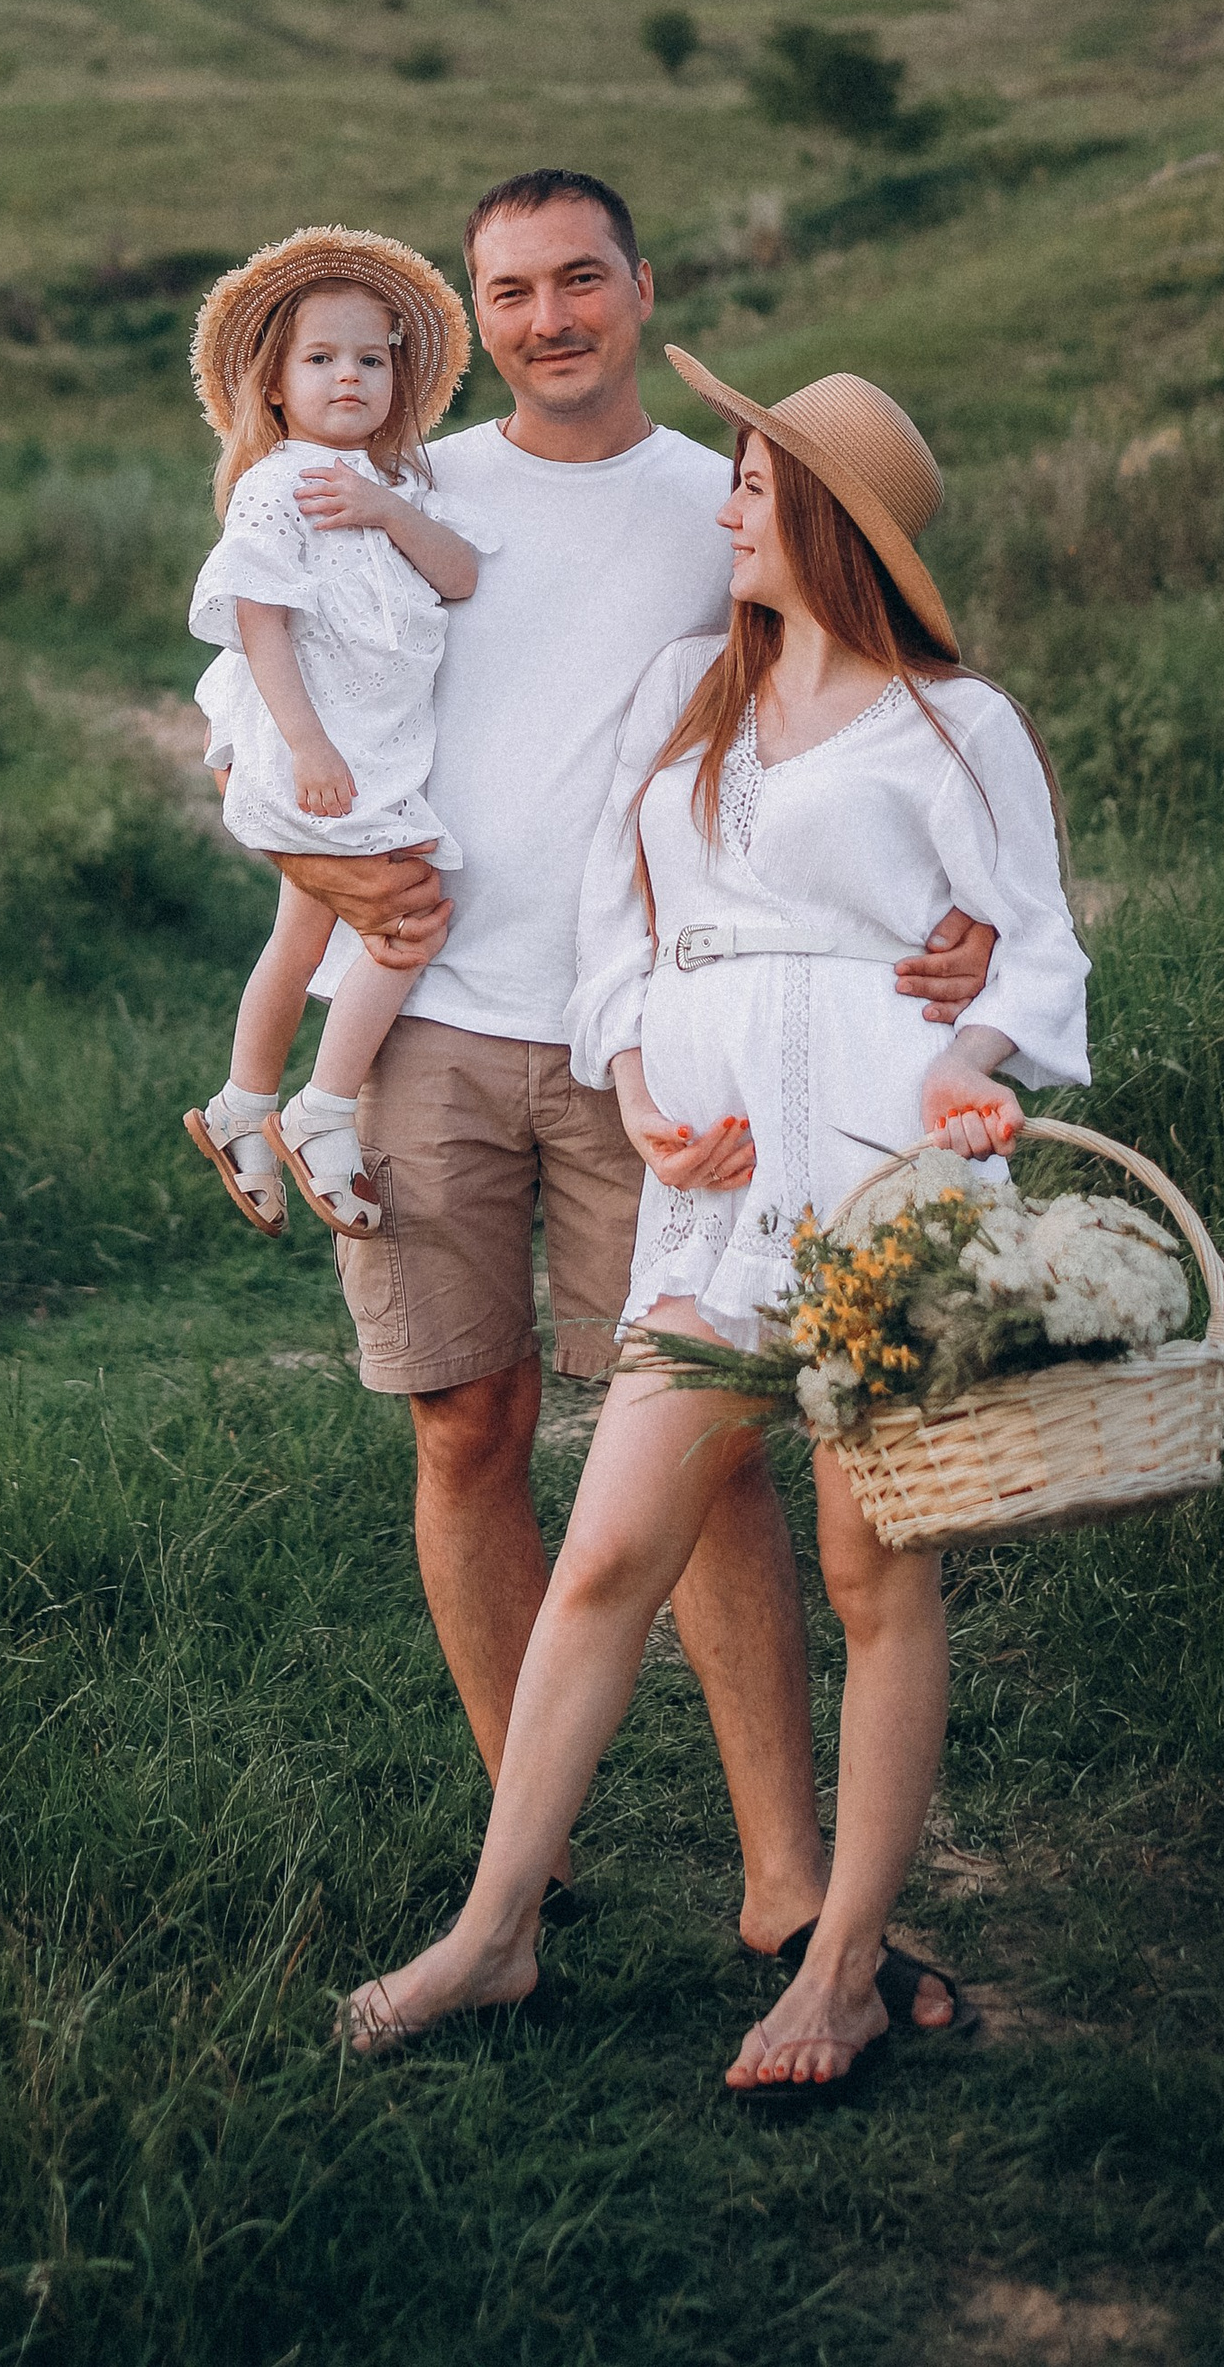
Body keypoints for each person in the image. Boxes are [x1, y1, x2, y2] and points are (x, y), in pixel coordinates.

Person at [264, 169, 997, 1957]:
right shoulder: (406, 492)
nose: (547, 318)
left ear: (642, 291)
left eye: (578, 279)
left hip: (659, 1049)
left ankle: (780, 1878)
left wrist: (957, 911)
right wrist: (297, 870)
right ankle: (534, 1861)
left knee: (713, 1438)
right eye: (508, 292)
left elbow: (865, 698)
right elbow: (280, 704)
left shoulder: (718, 506)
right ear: (475, 315)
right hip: (420, 1012)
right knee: (466, 1423)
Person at [340, 353, 1090, 2088]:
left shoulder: (953, 722)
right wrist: (636, 1074)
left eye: (753, 488)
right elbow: (620, 917)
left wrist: (974, 1063)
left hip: (887, 1173)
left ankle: (829, 1969)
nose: (726, 508)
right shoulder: (693, 689)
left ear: (825, 520)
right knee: (608, 1552)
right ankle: (494, 1932)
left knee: (871, 1573)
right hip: (712, 1188)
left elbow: (1033, 943)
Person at [180, 230, 485, 1238]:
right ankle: (325, 1107)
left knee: (302, 930)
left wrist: (382, 510)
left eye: (368, 356)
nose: (346, 376)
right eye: (319, 359)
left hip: (372, 758)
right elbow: (259, 623)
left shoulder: (398, 487)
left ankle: (243, 1105)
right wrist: (307, 747)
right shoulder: (279, 485)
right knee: (409, 924)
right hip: (326, 765)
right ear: (274, 385)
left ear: (397, 372)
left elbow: (460, 574)